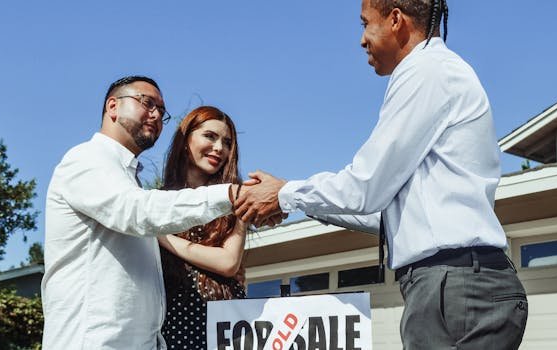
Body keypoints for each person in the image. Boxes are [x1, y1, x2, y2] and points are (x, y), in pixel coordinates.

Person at [234, 0, 528, 349]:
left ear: (395, 20)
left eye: (365, 24)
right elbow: (383, 214)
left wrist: (284, 194)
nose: (361, 40)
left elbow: (365, 186)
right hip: (458, 284)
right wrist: (294, 201)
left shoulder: (426, 71)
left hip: (455, 286)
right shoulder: (435, 72)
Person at [41, 76, 253, 349]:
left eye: (161, 111)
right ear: (113, 106)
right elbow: (137, 211)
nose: (156, 114)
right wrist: (232, 195)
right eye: (147, 103)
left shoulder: (130, 180)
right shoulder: (86, 160)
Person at [156, 106, 247, 350]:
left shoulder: (234, 200)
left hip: (225, 328)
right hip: (170, 328)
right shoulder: (156, 201)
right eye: (210, 136)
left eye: (227, 142)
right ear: (186, 140)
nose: (219, 148)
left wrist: (162, 237)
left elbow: (228, 262)